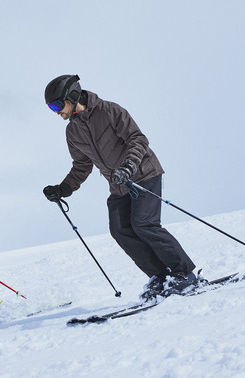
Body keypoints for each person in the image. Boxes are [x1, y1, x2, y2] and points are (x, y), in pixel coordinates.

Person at [42, 75, 197, 298]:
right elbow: (81, 166)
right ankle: (161, 277)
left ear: (73, 96)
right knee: (120, 230)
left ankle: (185, 274)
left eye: (57, 104)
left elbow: (138, 140)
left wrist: (129, 166)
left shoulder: (110, 111)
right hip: (118, 185)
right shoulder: (72, 132)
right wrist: (63, 189)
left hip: (144, 174)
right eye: (50, 107)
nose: (56, 111)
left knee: (144, 224)